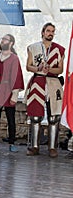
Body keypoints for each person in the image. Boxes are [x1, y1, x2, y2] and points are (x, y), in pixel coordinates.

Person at [25, 22, 65, 158]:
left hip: (53, 83)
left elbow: (60, 69)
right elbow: (28, 66)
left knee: (54, 117)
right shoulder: (33, 48)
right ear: (43, 32)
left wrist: (49, 70)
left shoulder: (59, 49)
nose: (51, 33)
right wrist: (39, 69)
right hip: (38, 82)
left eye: (53, 31)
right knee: (35, 116)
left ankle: (52, 147)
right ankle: (34, 146)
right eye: (48, 31)